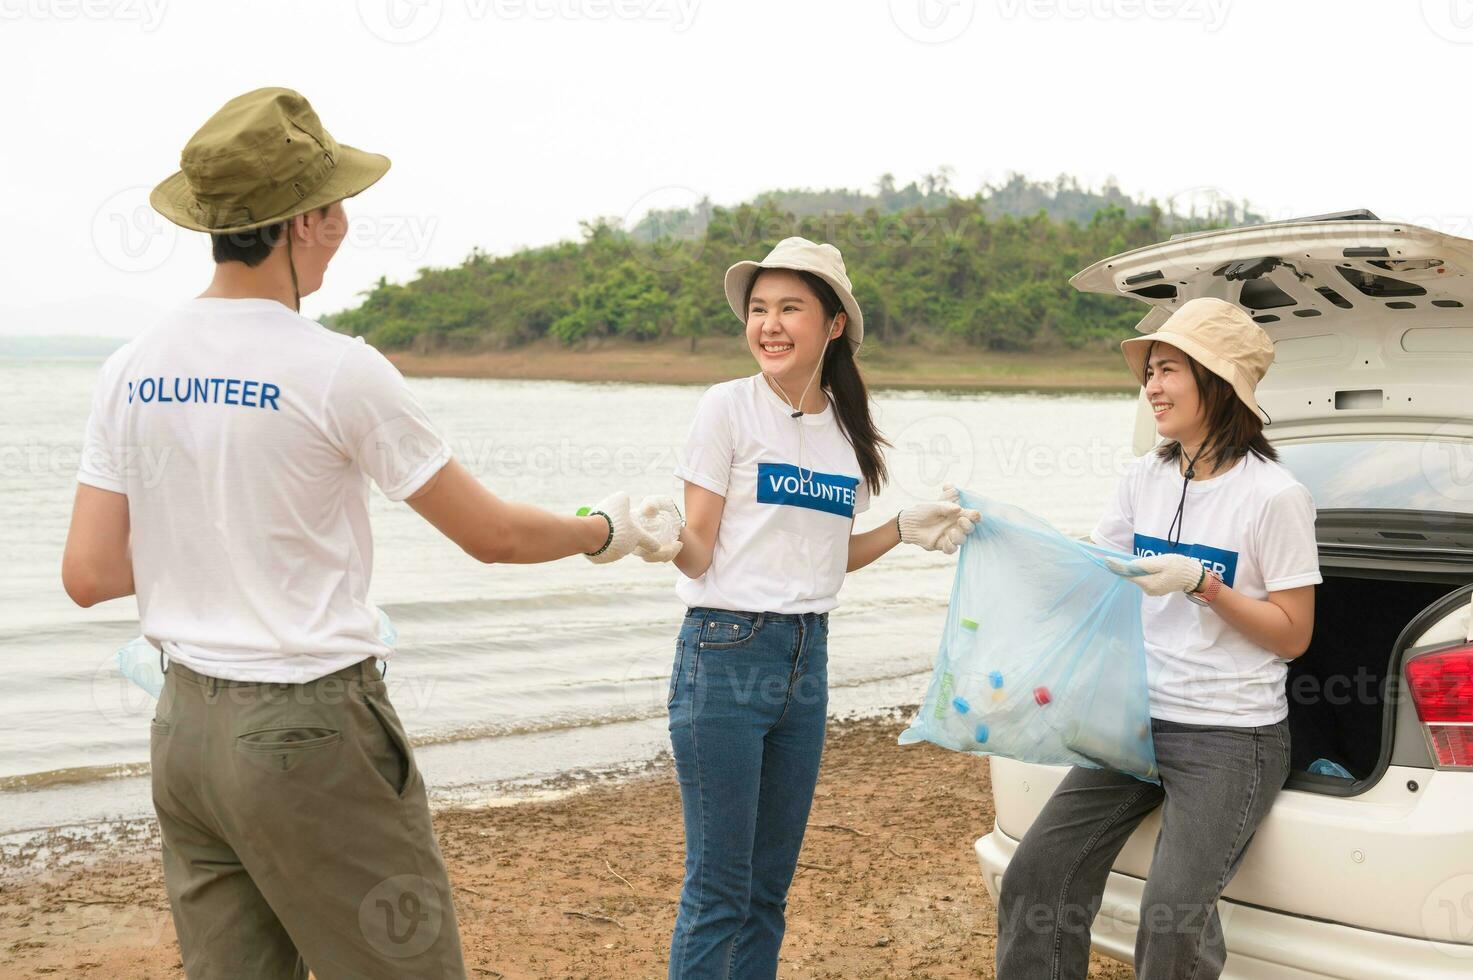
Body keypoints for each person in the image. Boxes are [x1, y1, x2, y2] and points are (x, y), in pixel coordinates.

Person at [60, 87, 679, 980]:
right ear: (301, 221)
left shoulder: (130, 367)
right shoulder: (336, 369)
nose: (347, 223)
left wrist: (211, 547)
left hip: (185, 727)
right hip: (306, 729)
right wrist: (607, 529)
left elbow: (88, 573)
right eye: (336, 204)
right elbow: (492, 536)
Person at [665, 237, 980, 979]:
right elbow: (699, 549)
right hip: (723, 653)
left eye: (789, 309)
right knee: (718, 887)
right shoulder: (726, 409)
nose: (768, 325)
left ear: (832, 325)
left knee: (768, 889)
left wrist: (901, 528)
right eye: (758, 309)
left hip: (807, 658)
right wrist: (652, 538)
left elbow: (823, 557)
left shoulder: (847, 431)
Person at [994, 297, 1321, 980]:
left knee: (1171, 919)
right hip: (1136, 720)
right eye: (1148, 371)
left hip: (1231, 735)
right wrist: (990, 531)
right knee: (1036, 878)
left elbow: (1292, 636)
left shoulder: (1273, 496)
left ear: (1216, 381)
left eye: (1167, 369)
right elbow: (1091, 577)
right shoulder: (1142, 476)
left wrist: (1205, 583)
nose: (1150, 386)